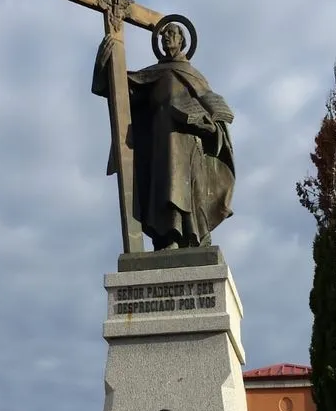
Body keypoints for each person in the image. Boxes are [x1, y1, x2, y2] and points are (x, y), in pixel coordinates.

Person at [92, 20, 235, 250]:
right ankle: (169, 237)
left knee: (189, 188)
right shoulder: (153, 74)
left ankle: (192, 236)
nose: (166, 37)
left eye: (171, 33)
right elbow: (119, 91)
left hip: (188, 142)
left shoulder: (195, 76)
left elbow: (215, 112)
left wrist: (210, 125)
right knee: (165, 187)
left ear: (182, 40)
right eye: (163, 34)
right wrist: (102, 66)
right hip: (160, 141)